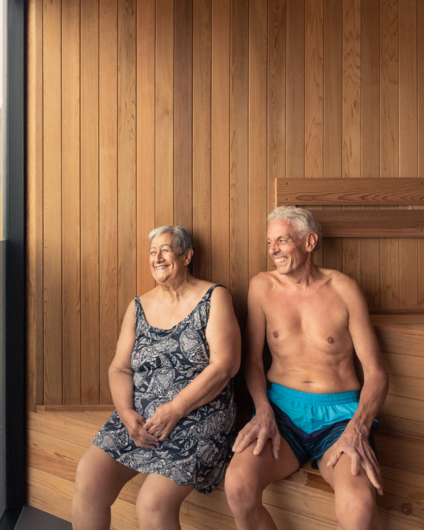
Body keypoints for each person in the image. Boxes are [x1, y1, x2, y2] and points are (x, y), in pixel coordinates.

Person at [225, 206, 388, 530]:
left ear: (309, 241)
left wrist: (358, 428)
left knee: (359, 509)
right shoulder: (262, 287)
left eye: (282, 240)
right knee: (237, 486)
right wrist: (262, 410)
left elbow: (377, 374)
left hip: (339, 418)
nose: (273, 250)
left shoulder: (344, 290)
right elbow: (253, 362)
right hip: (281, 413)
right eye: (270, 242)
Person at [72, 226, 241, 530]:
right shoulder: (138, 306)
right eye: (152, 252)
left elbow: (225, 366)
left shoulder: (214, 296)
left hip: (199, 414)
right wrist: (126, 415)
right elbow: (119, 369)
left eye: (165, 249)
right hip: (140, 415)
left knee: (151, 503)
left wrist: (175, 409)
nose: (157, 258)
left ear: (187, 256)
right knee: (89, 476)